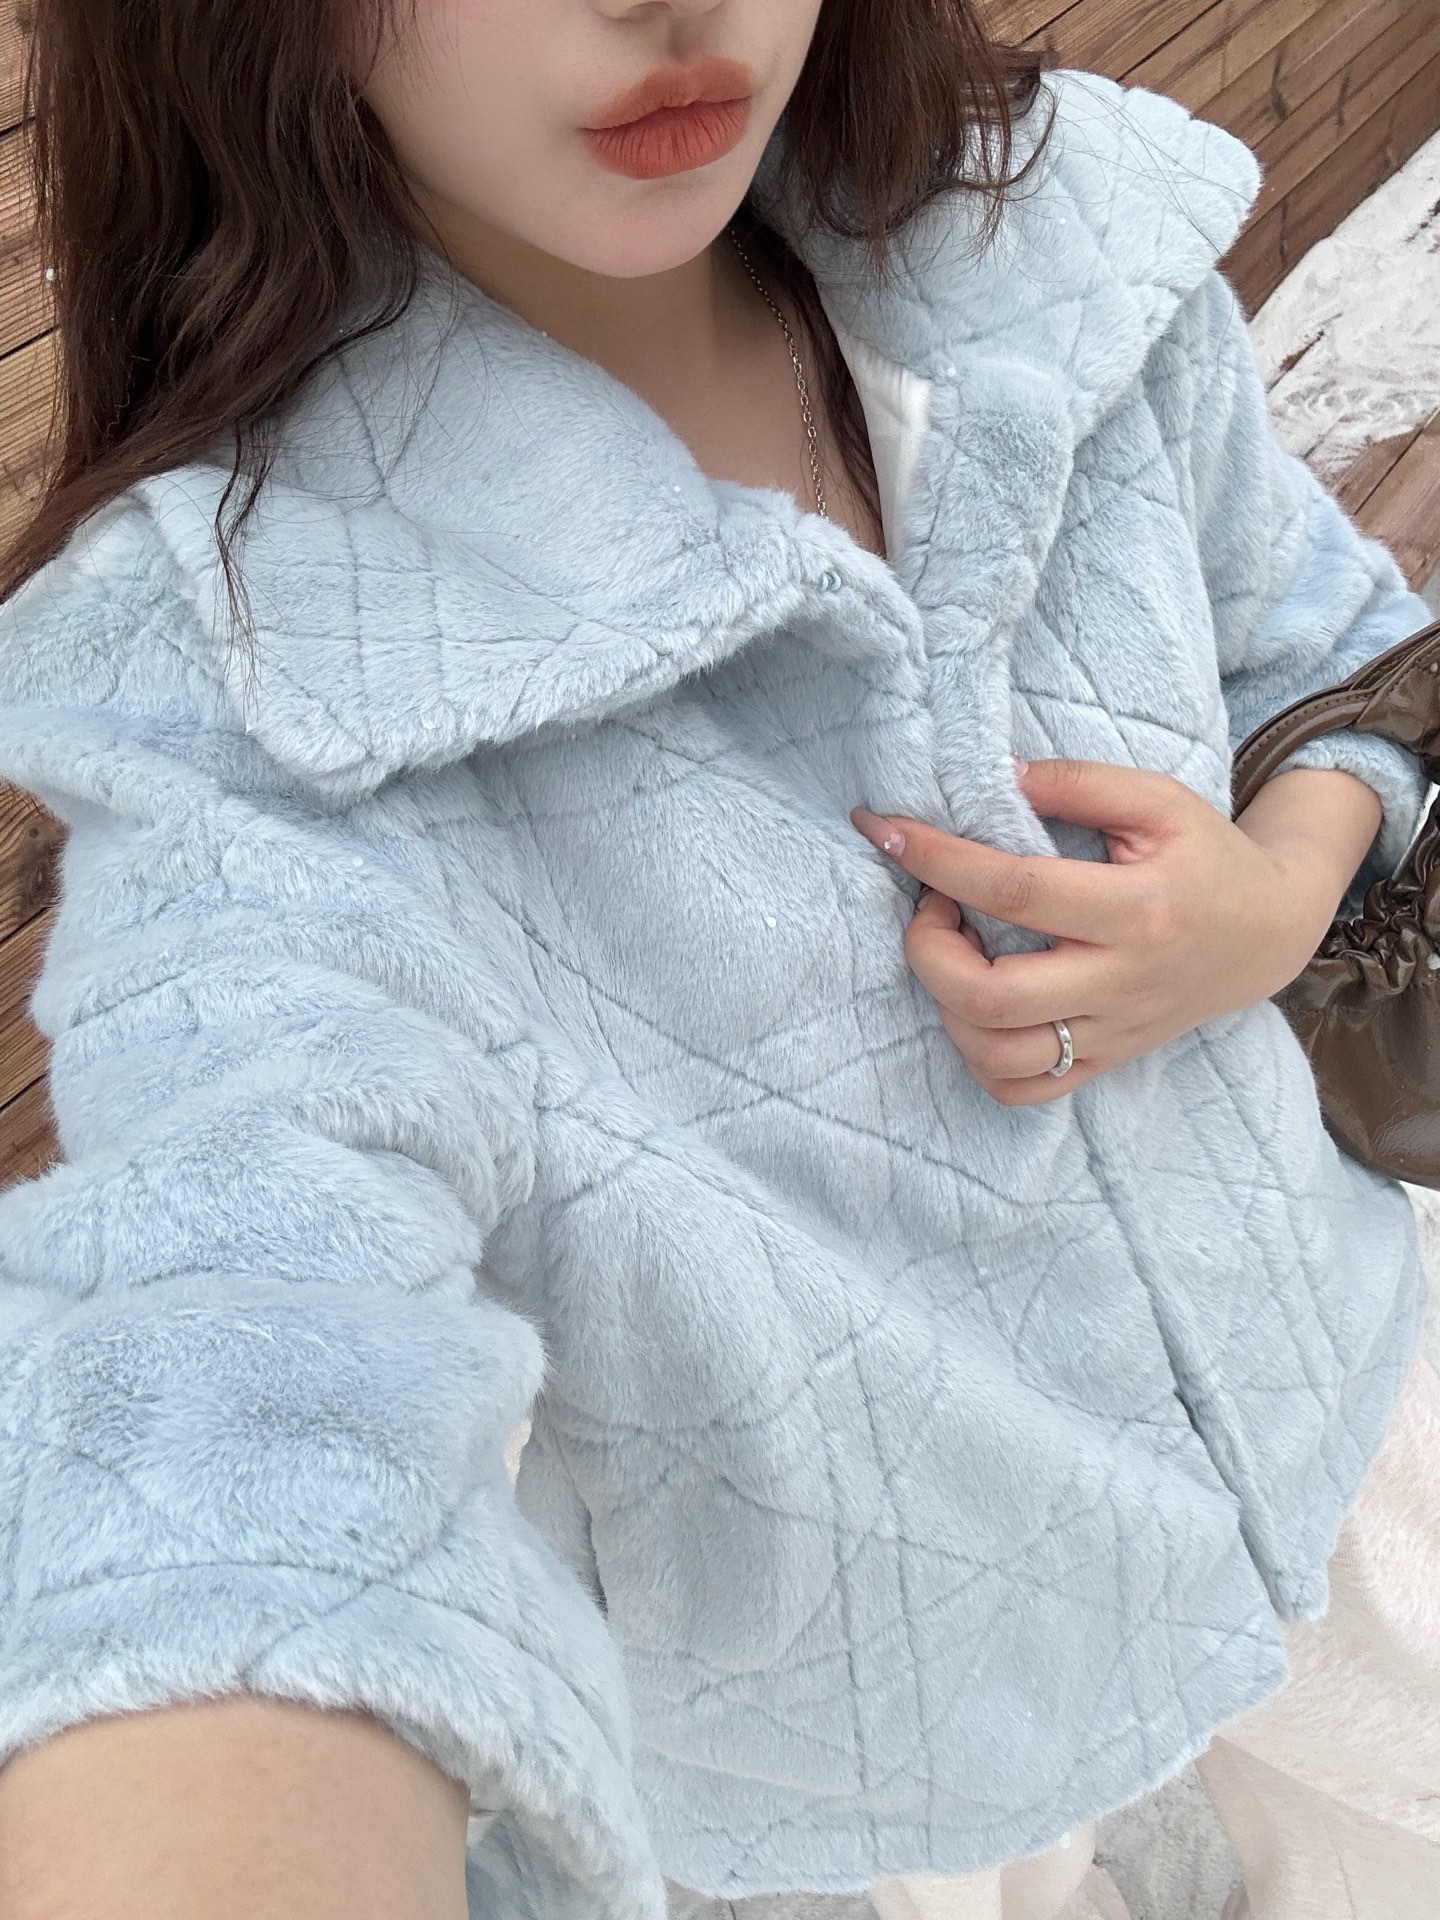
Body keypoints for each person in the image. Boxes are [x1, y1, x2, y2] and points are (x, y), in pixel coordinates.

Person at [0, 2, 1433, 1917]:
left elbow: (1326, 644)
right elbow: (234, 1338)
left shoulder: (1046, 234)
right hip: (874, 1754)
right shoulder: (260, 678)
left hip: (1340, 1388)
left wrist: (1275, 897)